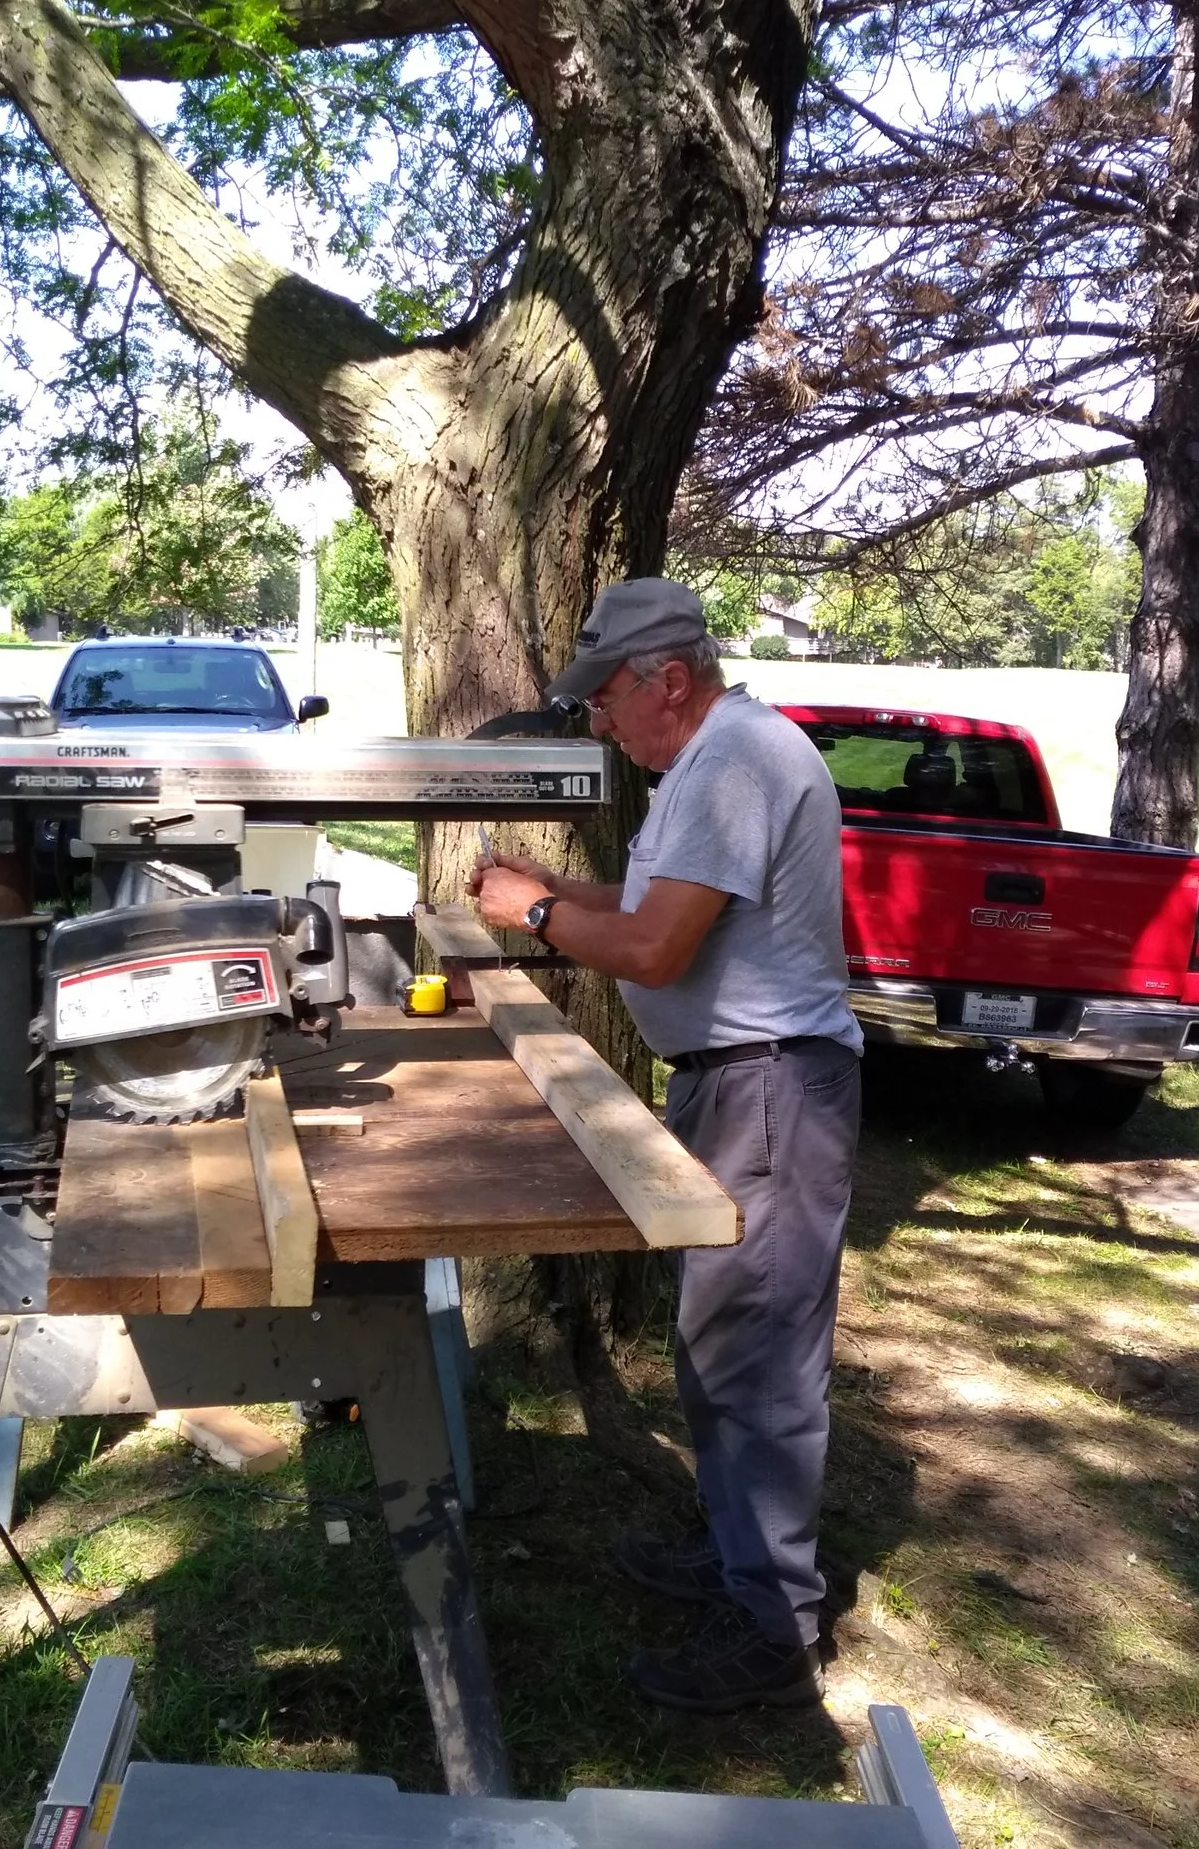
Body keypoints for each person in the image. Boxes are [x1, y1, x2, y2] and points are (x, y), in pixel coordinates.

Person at [469, 576, 862, 1712]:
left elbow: (651, 951)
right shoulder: (706, 763)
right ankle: (737, 1549)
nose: (595, 718)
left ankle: (776, 1628)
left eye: (605, 697)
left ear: (669, 679)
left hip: (771, 1087)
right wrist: (558, 887)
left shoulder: (733, 763)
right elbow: (655, 904)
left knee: (761, 1357)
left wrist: (533, 914)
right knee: (716, 1336)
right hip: (740, 1082)